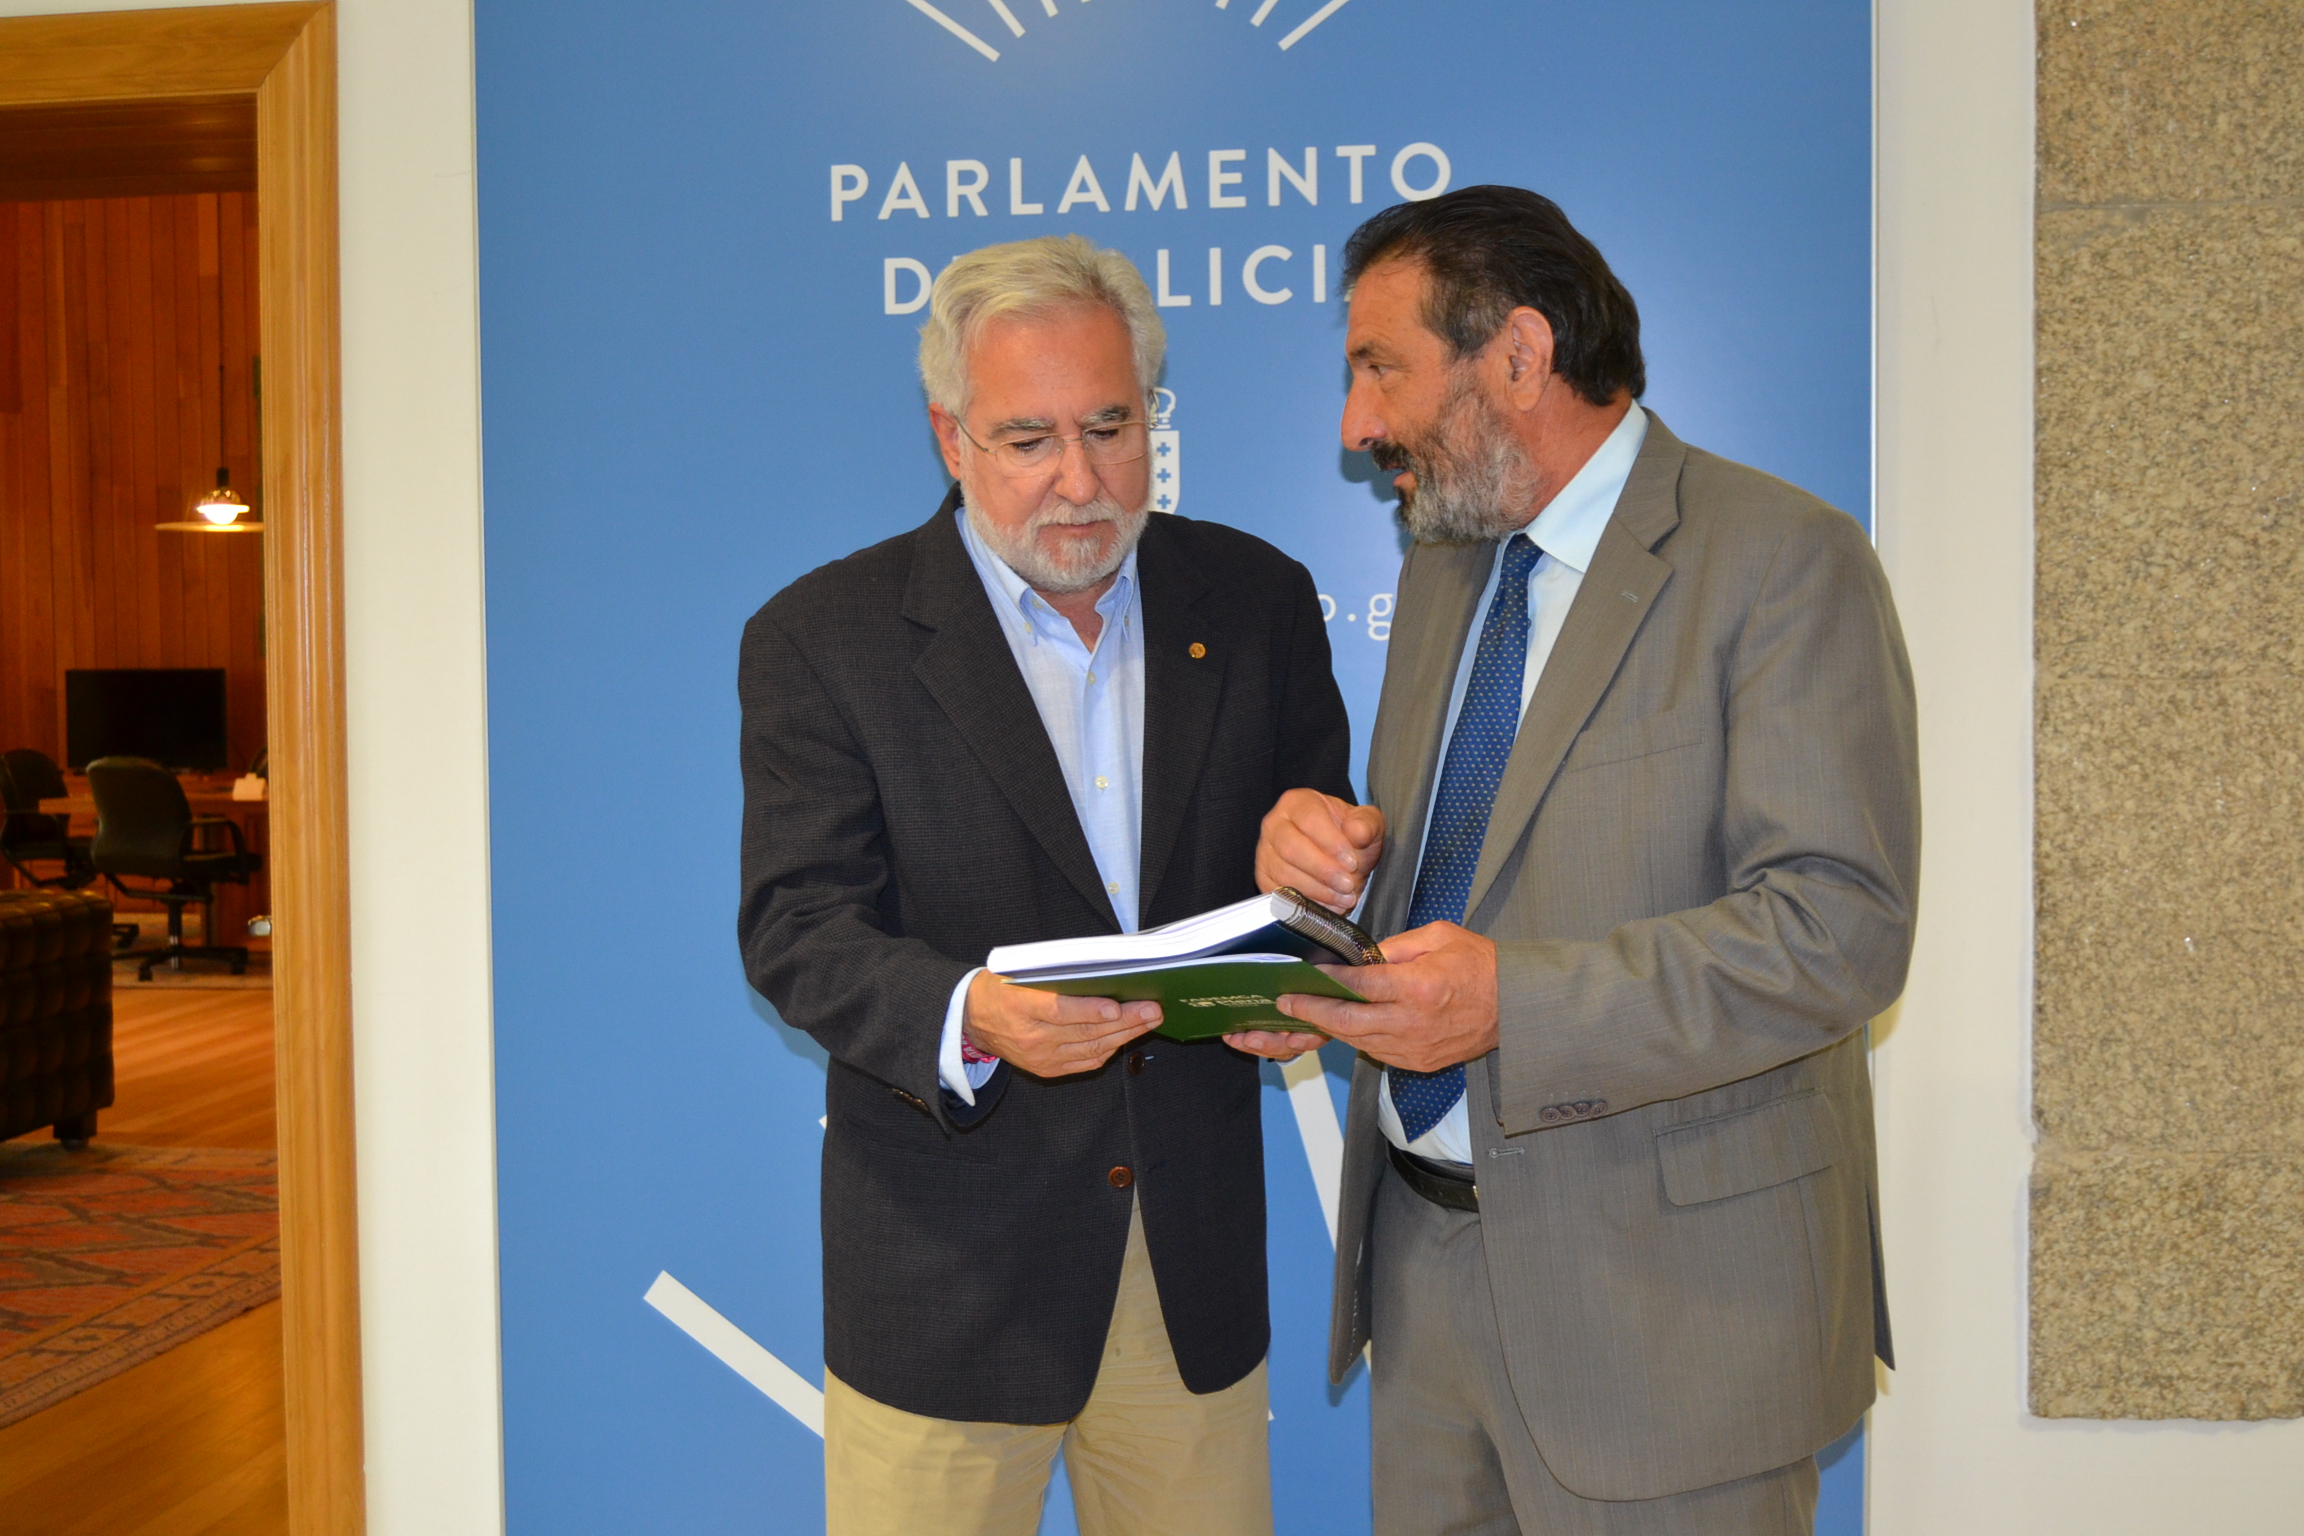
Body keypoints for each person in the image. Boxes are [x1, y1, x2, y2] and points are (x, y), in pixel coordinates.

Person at [1235, 187, 1920, 1534]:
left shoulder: (1783, 563)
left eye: (1381, 368)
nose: (1356, 426)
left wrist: (1514, 1005)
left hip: (1677, 1322)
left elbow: (1840, 929)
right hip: (1427, 1290)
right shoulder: (1448, 566)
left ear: (1521, 356)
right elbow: (1469, 877)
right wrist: (1325, 880)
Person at [738, 234, 1353, 1536]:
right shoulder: (821, 639)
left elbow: (1318, 893)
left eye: (1111, 427)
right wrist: (971, 1014)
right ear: (950, 438)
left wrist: (1312, 933)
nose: (1080, 481)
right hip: (947, 1282)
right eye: (1027, 440)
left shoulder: (1257, 601)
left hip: (1185, 1270)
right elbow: (797, 929)